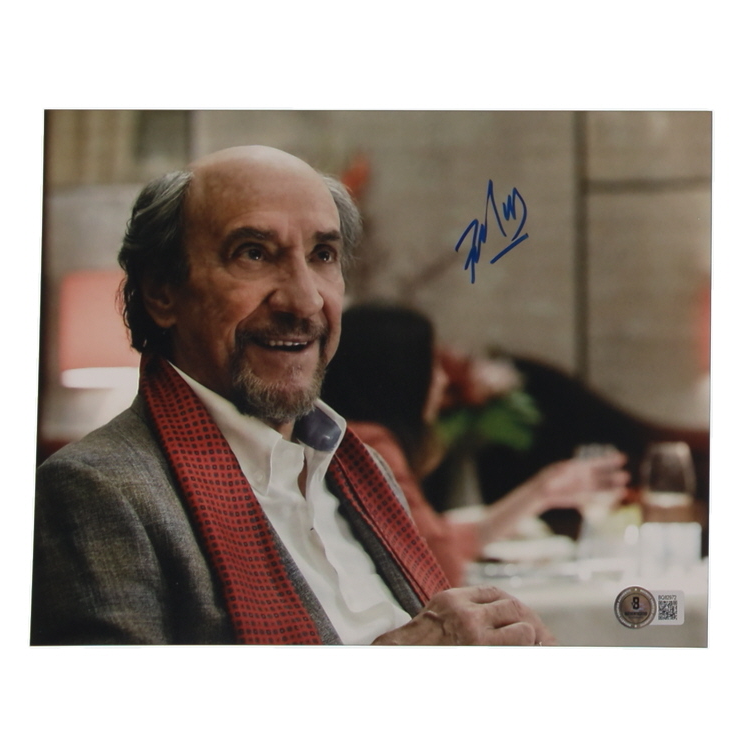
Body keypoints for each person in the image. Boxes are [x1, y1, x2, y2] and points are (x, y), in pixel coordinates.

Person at [31, 145, 554, 646]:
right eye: (253, 253)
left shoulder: (361, 467)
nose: (305, 301)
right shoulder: (96, 491)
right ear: (162, 293)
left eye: (322, 255)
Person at [321, 303, 630, 587]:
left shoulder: (349, 439)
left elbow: (432, 540)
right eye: (433, 364)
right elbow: (440, 564)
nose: (443, 380)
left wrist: (542, 491)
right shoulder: (371, 447)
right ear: (399, 373)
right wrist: (540, 492)